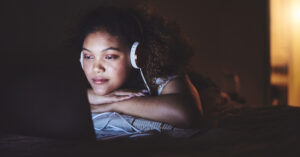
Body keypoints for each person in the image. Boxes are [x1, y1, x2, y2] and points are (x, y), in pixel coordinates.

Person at [75, 6, 203, 138]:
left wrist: (114, 104)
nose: (96, 68)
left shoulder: (158, 72)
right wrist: (88, 95)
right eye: (88, 56)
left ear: (135, 56)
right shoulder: (79, 75)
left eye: (109, 57)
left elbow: (186, 114)